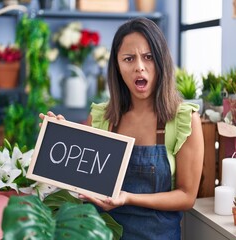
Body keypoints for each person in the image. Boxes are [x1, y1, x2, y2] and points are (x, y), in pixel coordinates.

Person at [39, 17, 204, 240]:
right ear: (116, 66)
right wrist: (60, 135)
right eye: (128, 59)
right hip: (100, 234)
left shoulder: (184, 119)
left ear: (162, 61)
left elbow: (186, 196)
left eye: (148, 57)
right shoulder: (100, 117)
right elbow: (76, 180)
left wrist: (128, 197)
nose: (139, 66)